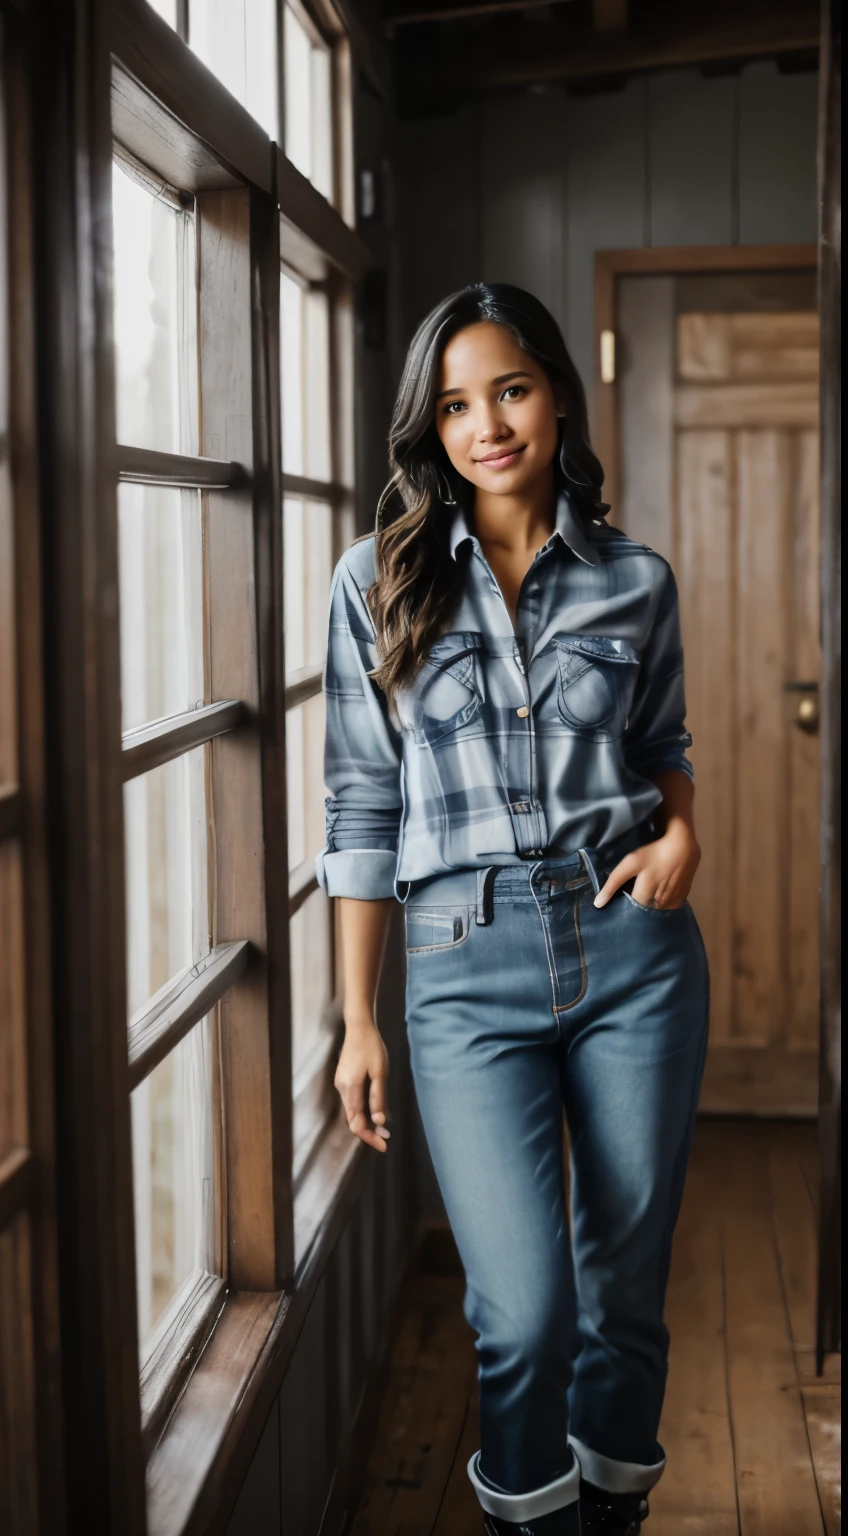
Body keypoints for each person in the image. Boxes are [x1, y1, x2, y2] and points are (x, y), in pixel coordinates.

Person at [316, 283, 709, 1536]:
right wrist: (357, 1022)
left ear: (555, 395)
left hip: (631, 947)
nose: (484, 424)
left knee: (623, 1300)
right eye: (451, 404)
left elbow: (662, 747)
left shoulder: (633, 580)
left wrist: (684, 831)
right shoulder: (372, 583)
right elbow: (360, 808)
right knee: (522, 1315)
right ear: (425, 428)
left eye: (509, 390)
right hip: (457, 963)